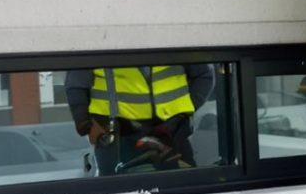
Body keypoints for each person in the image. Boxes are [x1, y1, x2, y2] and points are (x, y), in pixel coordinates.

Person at [65, 64, 219, 174]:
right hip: (118, 137)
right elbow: (76, 86)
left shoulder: (175, 36)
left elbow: (204, 76)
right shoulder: (97, 40)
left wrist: (183, 112)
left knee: (184, 188)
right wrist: (83, 120)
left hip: (170, 133)